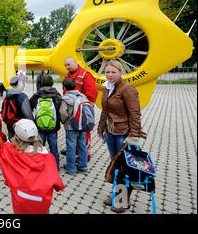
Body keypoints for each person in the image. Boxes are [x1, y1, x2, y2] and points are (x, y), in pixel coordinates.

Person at [97, 60, 145, 213]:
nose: (110, 75)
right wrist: (100, 128)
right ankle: (116, 195)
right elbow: (104, 110)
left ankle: (123, 201)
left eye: (114, 72)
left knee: (125, 167)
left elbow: (135, 114)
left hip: (124, 133)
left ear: (121, 72)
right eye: (108, 72)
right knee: (115, 166)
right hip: (111, 132)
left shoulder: (127, 89)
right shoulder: (107, 88)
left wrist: (134, 135)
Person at [0, 119, 65, 214]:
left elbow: (5, 145)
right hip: (41, 204)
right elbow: (58, 184)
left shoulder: (8, 153)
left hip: (20, 203)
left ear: (16, 136)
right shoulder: (48, 158)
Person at [62, 57, 98, 161]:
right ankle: (74, 151)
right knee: (73, 130)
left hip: (82, 108)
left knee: (84, 131)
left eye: (68, 64)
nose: (67, 67)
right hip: (71, 110)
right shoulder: (68, 75)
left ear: (75, 63)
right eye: (65, 65)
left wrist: (86, 107)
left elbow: (91, 93)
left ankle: (85, 154)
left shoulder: (85, 75)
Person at [29, 75, 62, 168]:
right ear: (52, 83)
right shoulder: (56, 94)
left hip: (39, 125)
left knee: (39, 147)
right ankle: (55, 167)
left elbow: (29, 106)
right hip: (53, 126)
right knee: (53, 147)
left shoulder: (37, 94)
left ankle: (39, 166)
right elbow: (61, 108)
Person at [59, 78, 88, 176]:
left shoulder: (66, 98)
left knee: (71, 147)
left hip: (71, 126)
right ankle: (83, 166)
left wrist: (63, 122)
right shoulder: (83, 96)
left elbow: (63, 112)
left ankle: (71, 168)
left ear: (64, 87)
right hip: (83, 125)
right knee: (82, 145)